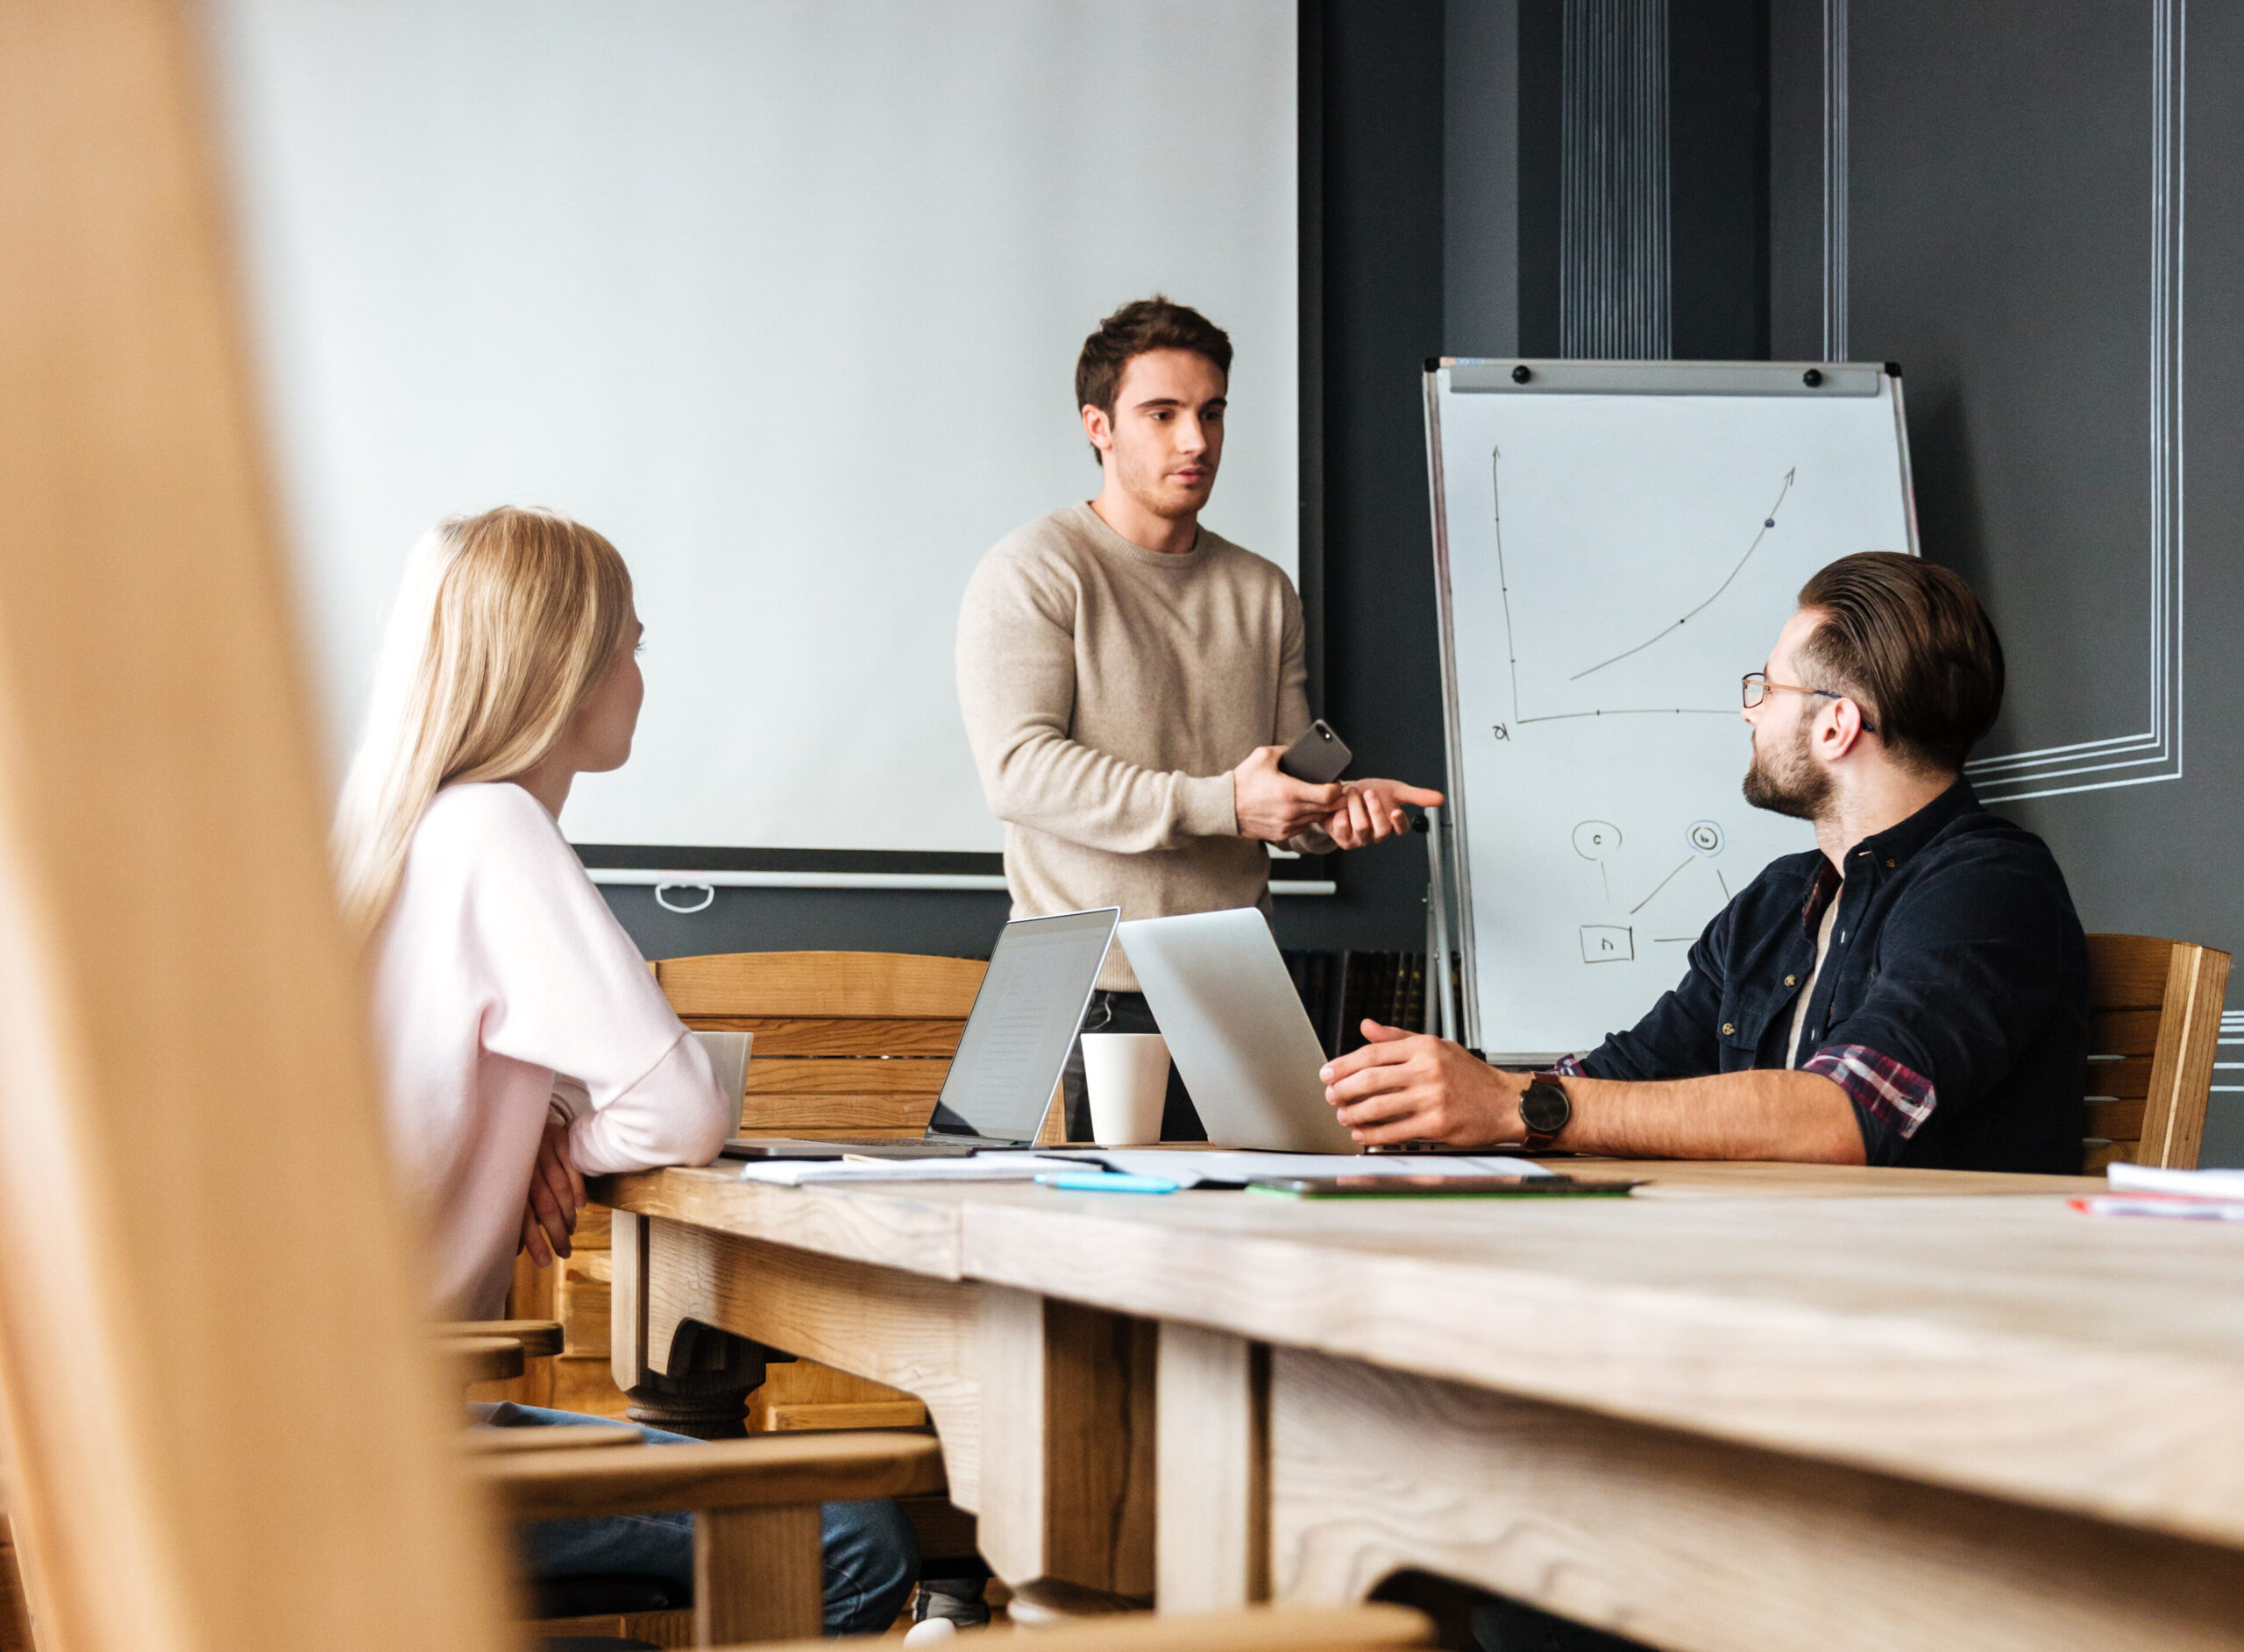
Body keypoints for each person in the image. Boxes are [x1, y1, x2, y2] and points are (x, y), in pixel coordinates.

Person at [336, 506, 918, 1634]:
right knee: (855, 1537)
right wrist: (572, 1134)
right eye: (633, 645)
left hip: (329, 1433)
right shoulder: (494, 828)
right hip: (386, 1457)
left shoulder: (402, 837)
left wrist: (552, 1120)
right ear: (565, 666)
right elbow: (678, 1106)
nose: (643, 675)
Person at [1320, 551, 2088, 1175]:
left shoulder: (1987, 888)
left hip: (1921, 1309)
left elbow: (1845, 1114)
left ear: (1836, 727)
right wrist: (1452, 1099)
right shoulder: (1781, 899)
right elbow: (1630, 1073)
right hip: (1765, 1269)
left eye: (1768, 688)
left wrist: (1517, 1106)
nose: (1750, 710)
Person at [956, 295, 1442, 1144]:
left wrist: (1334, 809)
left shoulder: (1261, 590)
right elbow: (1020, 772)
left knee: (1253, 1247)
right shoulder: (1032, 571)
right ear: (1097, 426)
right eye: (1163, 414)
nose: (1197, 441)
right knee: (1097, 1263)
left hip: (1232, 985)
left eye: (1211, 413)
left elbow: (1279, 788)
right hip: (1085, 989)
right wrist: (1225, 803)